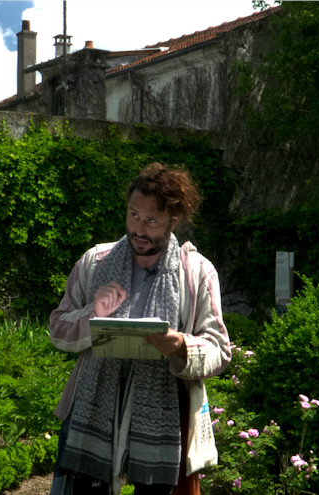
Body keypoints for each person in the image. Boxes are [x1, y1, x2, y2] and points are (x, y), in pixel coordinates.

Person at [48, 163, 231, 495]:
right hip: (93, 414)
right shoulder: (95, 263)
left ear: (173, 221)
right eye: (133, 215)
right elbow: (58, 329)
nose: (139, 228)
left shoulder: (197, 272)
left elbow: (219, 349)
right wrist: (92, 314)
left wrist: (181, 346)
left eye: (151, 220)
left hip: (163, 423)